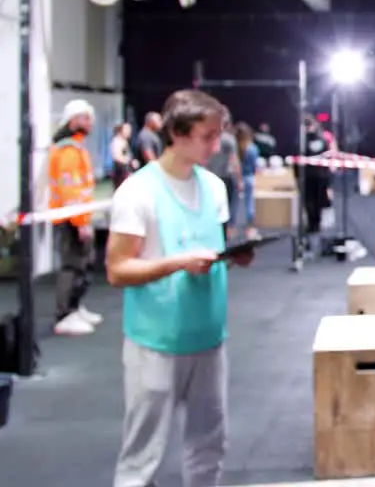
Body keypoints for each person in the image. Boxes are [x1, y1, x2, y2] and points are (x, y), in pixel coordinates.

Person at [105, 88, 256, 487]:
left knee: (209, 446)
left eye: (218, 134)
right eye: (207, 136)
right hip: (155, 341)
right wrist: (177, 264)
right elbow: (117, 269)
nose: (217, 144)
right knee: (142, 455)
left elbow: (210, 247)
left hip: (208, 336)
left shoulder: (214, 187)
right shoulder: (137, 192)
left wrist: (231, 256)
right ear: (177, 133)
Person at [49, 99, 102, 337]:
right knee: (71, 265)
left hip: (76, 217)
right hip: (70, 218)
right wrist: (80, 223)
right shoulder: (68, 151)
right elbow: (70, 190)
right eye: (86, 118)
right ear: (74, 121)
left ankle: (74, 307)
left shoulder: (75, 148)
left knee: (82, 265)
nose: (90, 123)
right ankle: (64, 315)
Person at [299, 115, 332, 249]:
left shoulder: (303, 141)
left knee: (311, 202)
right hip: (319, 176)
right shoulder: (322, 139)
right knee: (314, 202)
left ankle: (313, 224)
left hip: (311, 176)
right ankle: (315, 224)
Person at [204, 121, 241, 241]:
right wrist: (239, 178)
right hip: (226, 176)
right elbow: (234, 159)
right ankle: (226, 232)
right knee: (228, 205)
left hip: (210, 175)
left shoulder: (208, 138)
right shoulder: (229, 139)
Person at [232, 122, 261, 240]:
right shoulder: (253, 148)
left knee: (234, 204)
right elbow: (255, 166)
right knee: (249, 203)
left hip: (236, 178)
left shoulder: (235, 147)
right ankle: (250, 228)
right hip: (249, 178)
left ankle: (231, 228)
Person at [111, 122, 136, 189]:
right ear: (120, 130)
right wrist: (129, 162)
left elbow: (125, 155)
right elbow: (116, 157)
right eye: (127, 130)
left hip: (126, 170)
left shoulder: (123, 141)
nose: (129, 132)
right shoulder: (117, 141)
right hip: (121, 172)